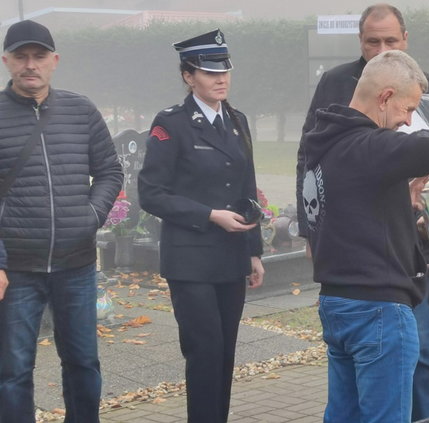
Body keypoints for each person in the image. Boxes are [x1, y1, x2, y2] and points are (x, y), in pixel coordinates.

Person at [295, 3, 429, 420]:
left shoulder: (326, 141)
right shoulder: (369, 147)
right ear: (385, 97)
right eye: (407, 110)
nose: (407, 122)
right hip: (380, 309)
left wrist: (402, 199)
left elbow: (355, 204)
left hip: (337, 301)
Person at [137, 29, 264, 423]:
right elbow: (150, 193)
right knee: (204, 350)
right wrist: (209, 215)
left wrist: (255, 251)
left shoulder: (238, 120)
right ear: (188, 76)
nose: (220, 78)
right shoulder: (171, 124)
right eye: (209, 72)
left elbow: (247, 187)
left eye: (224, 70)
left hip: (231, 254)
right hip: (190, 258)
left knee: (225, 352)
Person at [0, 19, 123, 423]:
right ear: (6, 61)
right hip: (16, 269)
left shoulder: (80, 110)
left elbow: (109, 170)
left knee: (84, 363)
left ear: (55, 61)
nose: (30, 64)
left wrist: (89, 216)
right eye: (21, 56)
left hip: (77, 264)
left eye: (38, 56)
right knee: (13, 371)